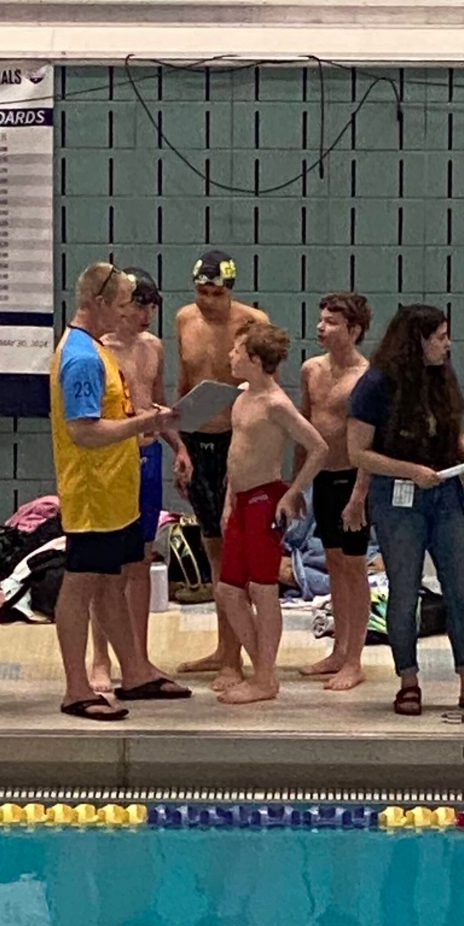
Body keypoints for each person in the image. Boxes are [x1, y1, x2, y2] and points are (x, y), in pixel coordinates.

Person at [348, 304, 464, 718]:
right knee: (404, 592)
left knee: (462, 589)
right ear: (416, 341)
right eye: (440, 337)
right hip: (398, 497)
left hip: (445, 493)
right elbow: (358, 451)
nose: (447, 344)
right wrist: (411, 471)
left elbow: (454, 427)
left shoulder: (441, 378)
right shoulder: (376, 385)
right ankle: (408, 680)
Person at [50, 262, 185, 722]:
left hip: (117, 487)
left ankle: (137, 671)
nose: (132, 313)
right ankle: (75, 688)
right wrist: (145, 423)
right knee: (81, 583)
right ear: (100, 303)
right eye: (126, 303)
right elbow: (84, 431)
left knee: (112, 582)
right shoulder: (83, 357)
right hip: (93, 490)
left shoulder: (95, 350)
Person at [89, 267, 192, 696]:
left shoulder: (153, 347)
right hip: (113, 458)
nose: (146, 315)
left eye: (151, 307)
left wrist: (179, 447)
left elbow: (158, 404)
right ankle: (99, 658)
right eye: (138, 305)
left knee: (140, 561)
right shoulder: (97, 351)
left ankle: (138, 657)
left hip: (147, 456)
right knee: (104, 564)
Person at [216, 322, 328, 704]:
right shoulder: (243, 396)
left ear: (252, 359)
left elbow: (319, 448)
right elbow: (237, 452)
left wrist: (292, 493)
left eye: (235, 351)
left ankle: (264, 677)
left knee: (263, 590)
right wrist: (229, 500)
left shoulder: (277, 404)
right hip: (242, 501)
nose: (229, 356)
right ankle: (262, 669)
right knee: (229, 590)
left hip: (265, 499)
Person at [175, 249, 269, 688]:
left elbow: (265, 390)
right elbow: (184, 381)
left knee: (235, 554)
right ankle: (223, 647)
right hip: (196, 440)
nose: (207, 300)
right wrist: (179, 446)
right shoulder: (183, 320)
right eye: (201, 291)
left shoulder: (253, 323)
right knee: (214, 548)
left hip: (238, 443)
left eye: (215, 292)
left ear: (231, 290)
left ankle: (236, 658)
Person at [296, 292, 373, 691]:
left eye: (331, 322)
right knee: (333, 563)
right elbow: (304, 429)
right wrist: (295, 486)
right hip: (322, 480)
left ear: (355, 330)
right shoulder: (311, 369)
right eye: (321, 320)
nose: (320, 328)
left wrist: (360, 495)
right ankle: (339, 650)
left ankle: (355, 658)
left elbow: (373, 444)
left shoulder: (367, 376)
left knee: (354, 568)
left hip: (353, 480)